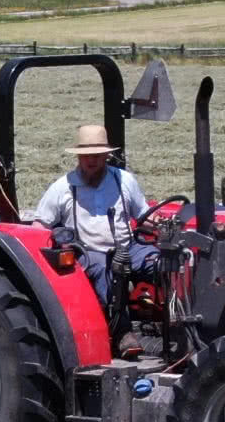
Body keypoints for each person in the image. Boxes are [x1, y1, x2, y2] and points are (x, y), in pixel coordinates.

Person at [32, 123, 150, 316]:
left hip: (128, 247)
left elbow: (144, 216)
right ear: (78, 156)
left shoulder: (124, 180)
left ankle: (174, 319)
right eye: (86, 155)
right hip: (88, 253)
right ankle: (121, 330)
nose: (91, 160)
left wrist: (164, 229)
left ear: (106, 156)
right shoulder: (63, 187)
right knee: (104, 270)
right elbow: (40, 227)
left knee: (161, 262)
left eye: (96, 155)